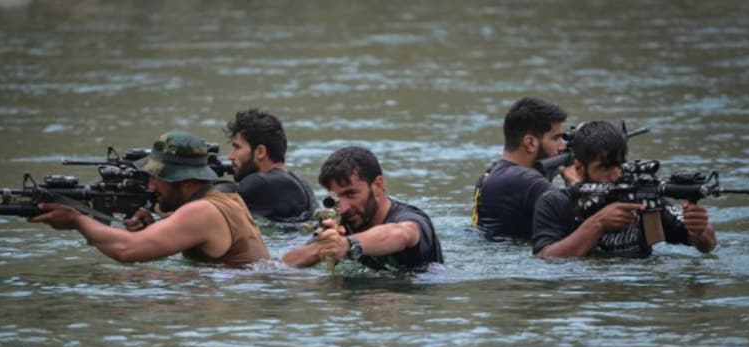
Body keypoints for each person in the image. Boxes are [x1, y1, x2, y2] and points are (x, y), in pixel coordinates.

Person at [29, 131, 270, 268]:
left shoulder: (202, 211)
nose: (151, 185)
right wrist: (157, 224)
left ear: (186, 182)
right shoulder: (226, 197)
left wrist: (77, 220)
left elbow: (127, 249)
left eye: (158, 178)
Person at [532, 120, 716, 258]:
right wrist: (598, 223)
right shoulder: (555, 202)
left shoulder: (642, 199)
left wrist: (698, 230)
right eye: (604, 167)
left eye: (620, 165)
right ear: (579, 169)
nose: (615, 175)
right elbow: (545, 258)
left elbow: (707, 245)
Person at [282, 146, 443, 271]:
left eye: (351, 193)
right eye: (335, 199)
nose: (343, 208)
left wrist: (347, 246)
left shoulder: (409, 218)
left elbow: (402, 234)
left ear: (377, 185)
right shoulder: (343, 224)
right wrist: (324, 248)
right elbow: (284, 265)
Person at [472, 97, 578, 240]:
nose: (562, 146)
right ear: (530, 143)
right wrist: (576, 183)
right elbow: (582, 219)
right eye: (556, 138)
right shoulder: (526, 180)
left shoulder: (493, 172)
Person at [224, 109, 318, 223]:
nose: (230, 155)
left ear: (260, 152)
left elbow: (210, 211)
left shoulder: (259, 182)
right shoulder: (302, 184)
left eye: (237, 147)